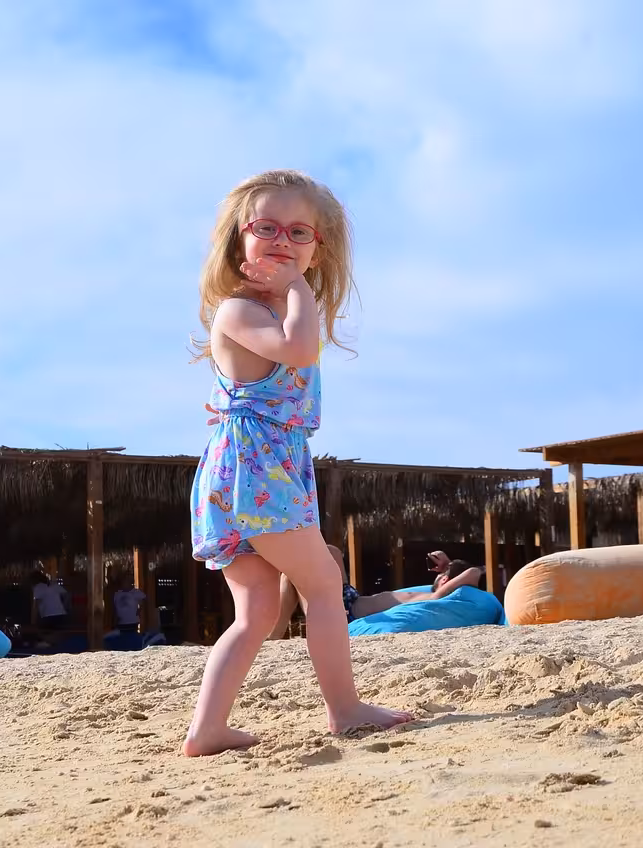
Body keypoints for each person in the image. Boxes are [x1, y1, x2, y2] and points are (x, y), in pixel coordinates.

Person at [183, 169, 415, 757]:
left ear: (318, 249)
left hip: (252, 469)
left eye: (298, 232)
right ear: (238, 240)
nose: (282, 240)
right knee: (322, 582)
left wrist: (295, 293)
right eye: (266, 228)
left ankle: (207, 728)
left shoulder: (275, 310)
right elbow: (299, 349)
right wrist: (299, 290)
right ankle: (344, 707)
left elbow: (294, 349)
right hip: (258, 471)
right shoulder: (238, 310)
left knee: (259, 609)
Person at [272, 547, 483, 637]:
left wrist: (450, 567)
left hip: (345, 614)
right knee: (331, 551)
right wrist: (448, 567)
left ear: (446, 580)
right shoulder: (428, 591)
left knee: (291, 575)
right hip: (351, 597)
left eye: (443, 574)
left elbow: (475, 572)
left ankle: (274, 635)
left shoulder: (434, 598)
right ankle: (275, 633)